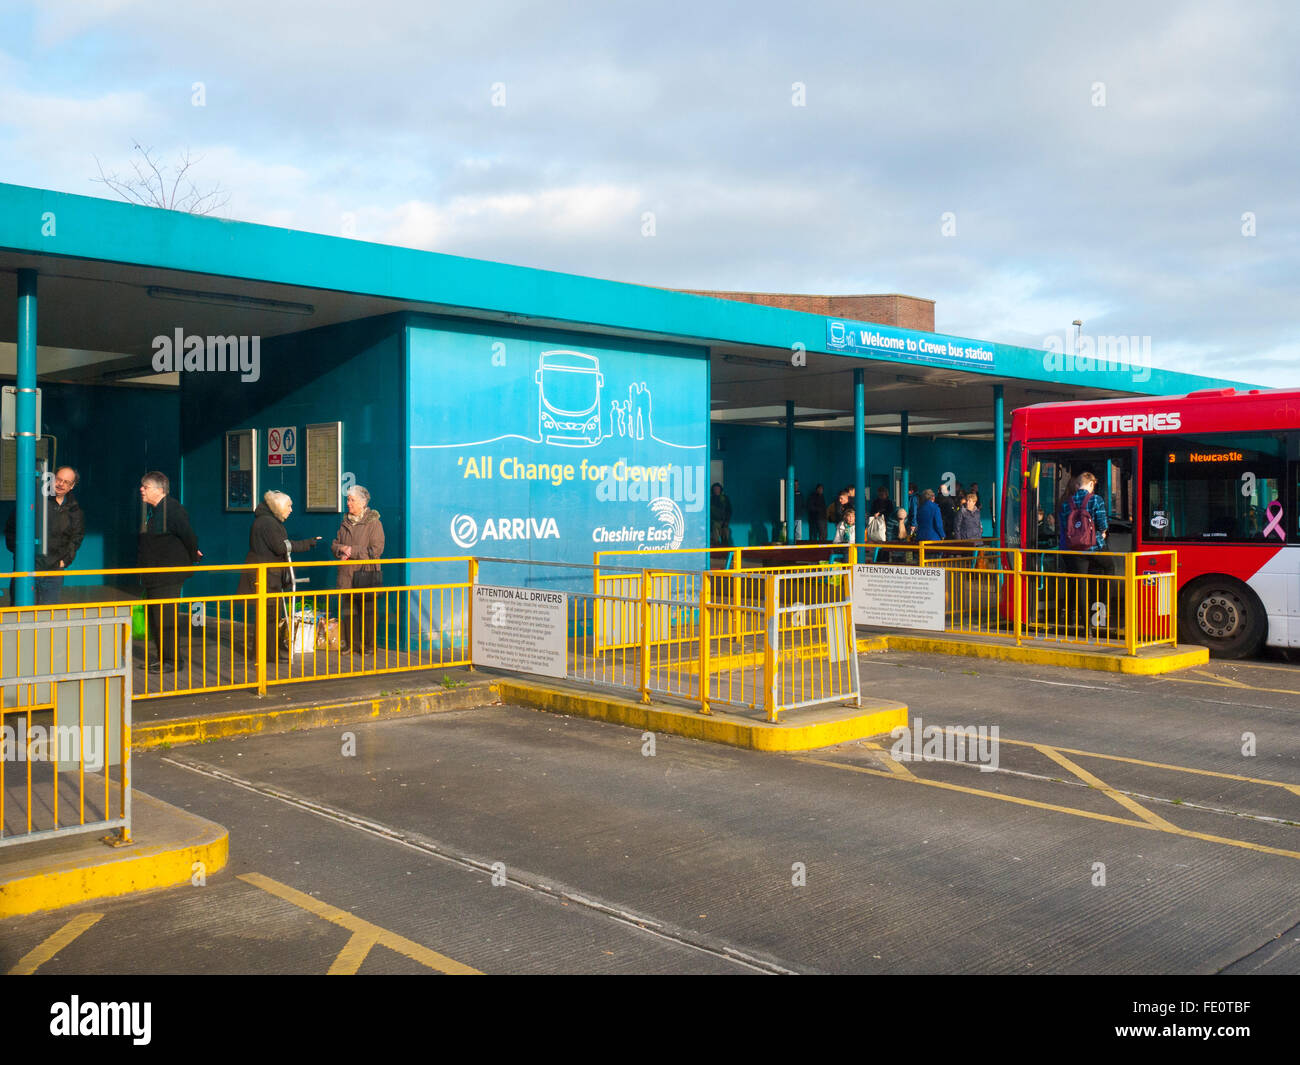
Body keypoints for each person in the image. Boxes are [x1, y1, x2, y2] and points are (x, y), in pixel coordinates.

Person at [236, 491, 321, 663]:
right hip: (266, 576)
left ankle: (267, 654)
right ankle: (265, 655)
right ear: (280, 506)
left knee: (268, 616)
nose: (291, 510)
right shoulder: (268, 523)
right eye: (289, 506)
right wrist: (308, 543)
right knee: (268, 616)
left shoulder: (265, 520)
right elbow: (281, 547)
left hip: (266, 575)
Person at [137, 472, 202, 672]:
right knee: (156, 618)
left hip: (167, 575)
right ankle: (162, 657)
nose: (141, 490)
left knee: (166, 618)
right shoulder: (156, 511)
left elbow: (189, 536)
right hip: (154, 575)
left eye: (145, 487)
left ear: (159, 490)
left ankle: (173, 661)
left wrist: (193, 556)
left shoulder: (173, 510)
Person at [4, 465, 84, 606]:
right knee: (21, 615)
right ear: (52, 479)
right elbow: (11, 527)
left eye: (66, 482)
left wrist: (65, 561)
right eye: (58, 479)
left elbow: (77, 537)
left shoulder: (74, 509)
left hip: (53, 572)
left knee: (47, 617)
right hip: (27, 568)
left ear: (72, 486)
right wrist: (20, 553)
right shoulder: (35, 500)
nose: (61, 484)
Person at [332, 485, 385, 654]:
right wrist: (341, 549)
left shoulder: (374, 523)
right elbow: (334, 544)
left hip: (366, 574)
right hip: (347, 574)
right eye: (348, 499)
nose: (348, 503)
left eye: (352, 500)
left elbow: (376, 550)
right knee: (349, 611)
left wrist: (351, 550)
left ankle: (369, 646)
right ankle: (350, 644)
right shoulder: (345, 522)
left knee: (368, 612)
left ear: (363, 503)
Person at [1057, 471, 1110, 629]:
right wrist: (1103, 532)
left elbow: (1065, 526)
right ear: (1091, 484)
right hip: (1095, 548)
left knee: (1081, 585)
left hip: (1076, 550)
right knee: (1109, 568)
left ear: (1077, 484)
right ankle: (1100, 616)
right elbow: (1102, 524)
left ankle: (1086, 626)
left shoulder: (1067, 503)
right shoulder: (1096, 499)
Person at [709, 483, 732, 547]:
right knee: (715, 538)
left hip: (724, 522)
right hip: (715, 522)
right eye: (715, 489)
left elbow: (729, 510)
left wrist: (726, 521)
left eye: (718, 489)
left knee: (726, 536)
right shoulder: (711, 499)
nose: (716, 490)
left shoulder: (725, 498)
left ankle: (726, 551)